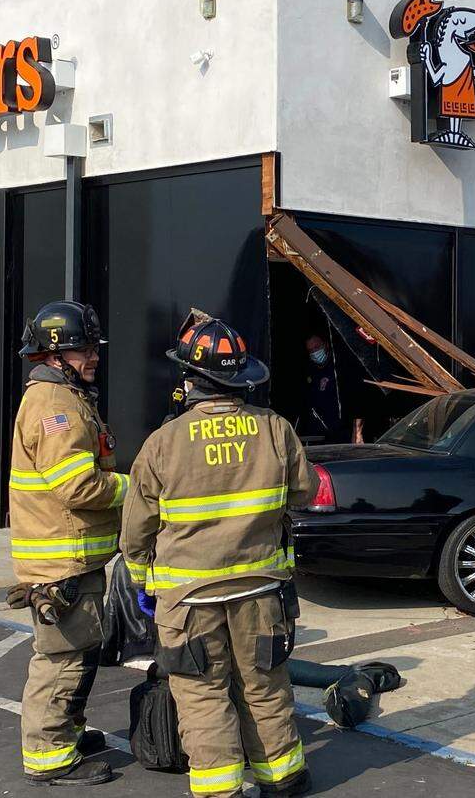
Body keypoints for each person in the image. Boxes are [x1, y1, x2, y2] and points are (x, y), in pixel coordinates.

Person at [121, 311, 319, 798]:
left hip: (187, 599)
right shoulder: (275, 429)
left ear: (191, 381)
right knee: (265, 684)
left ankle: (219, 790)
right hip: (260, 591)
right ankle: (283, 778)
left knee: (202, 693)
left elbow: (136, 530)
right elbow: (304, 492)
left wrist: (143, 579)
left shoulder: (162, 443)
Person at [8, 300, 128, 787]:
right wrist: (132, 488)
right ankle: (48, 755)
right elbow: (78, 487)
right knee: (62, 657)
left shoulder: (67, 398)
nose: (93, 356)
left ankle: (67, 731)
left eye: (92, 346)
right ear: (54, 356)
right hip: (62, 558)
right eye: (82, 348)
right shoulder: (55, 407)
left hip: (72, 554)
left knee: (80, 651)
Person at [303, 334, 364, 444]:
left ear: (325, 345)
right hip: (319, 434)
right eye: (310, 350)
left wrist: (358, 431)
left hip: (343, 432)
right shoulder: (310, 371)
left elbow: (358, 399)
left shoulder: (340, 366)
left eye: (316, 348)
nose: (314, 353)